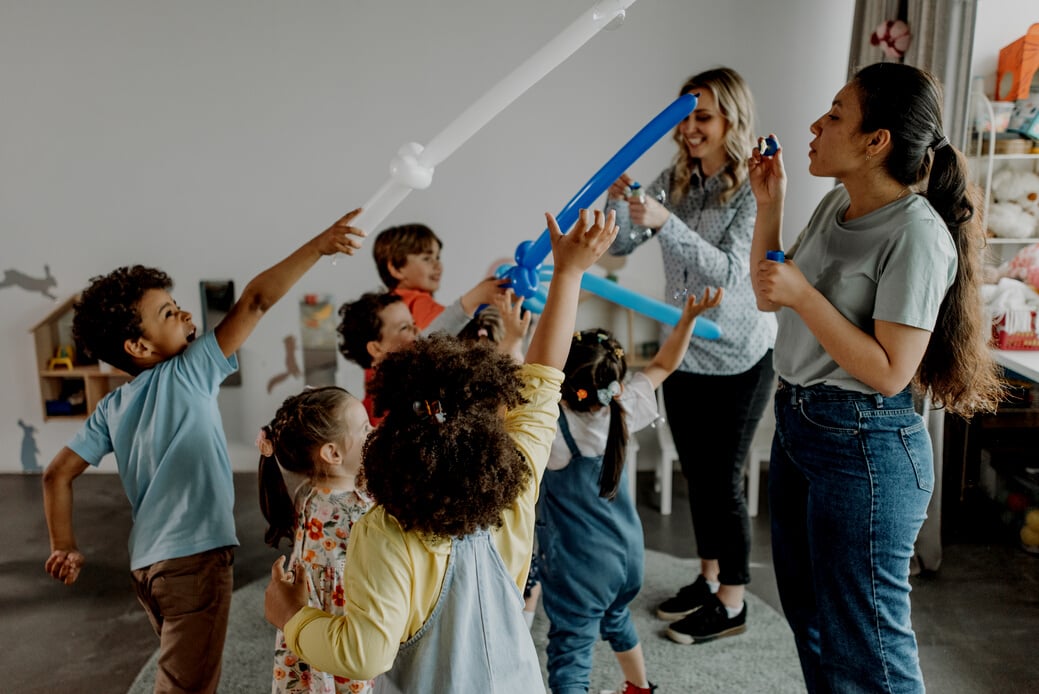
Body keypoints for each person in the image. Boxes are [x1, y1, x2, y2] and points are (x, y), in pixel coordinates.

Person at [264, 208, 618, 693]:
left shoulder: (383, 531)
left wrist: (292, 618)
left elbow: (365, 655)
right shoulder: (515, 484)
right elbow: (542, 382)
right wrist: (570, 273)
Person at [746, 62, 1004, 693]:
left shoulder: (918, 235)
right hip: (799, 427)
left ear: (876, 141)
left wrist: (806, 297)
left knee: (870, 648)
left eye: (835, 114)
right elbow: (769, 294)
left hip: (866, 446)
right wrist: (770, 207)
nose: (816, 125)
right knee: (810, 624)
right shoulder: (839, 201)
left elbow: (892, 373)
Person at [41, 208, 366, 694]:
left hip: (147, 567)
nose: (187, 315)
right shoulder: (189, 371)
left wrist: (63, 545)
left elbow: (56, 474)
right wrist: (318, 246)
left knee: (187, 674)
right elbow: (254, 302)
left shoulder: (112, 405)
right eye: (169, 314)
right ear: (139, 345)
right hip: (193, 561)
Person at [604, 67, 777, 643]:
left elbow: (729, 273)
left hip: (739, 352)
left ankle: (733, 602)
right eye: (684, 118)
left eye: (701, 117)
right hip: (685, 348)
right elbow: (627, 245)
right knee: (698, 477)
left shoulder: (752, 189)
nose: (689, 130)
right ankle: (708, 580)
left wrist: (665, 222)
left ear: (730, 119)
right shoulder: (673, 179)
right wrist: (621, 206)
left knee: (722, 479)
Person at [538, 288, 722, 694]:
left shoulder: (552, 430)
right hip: (628, 558)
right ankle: (640, 689)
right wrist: (686, 320)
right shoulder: (624, 406)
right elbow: (663, 364)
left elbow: (527, 376)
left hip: (580, 566)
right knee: (616, 618)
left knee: (570, 652)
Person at [257, 386, 376, 694]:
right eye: (365, 428)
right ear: (332, 453)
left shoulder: (307, 492)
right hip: (339, 611)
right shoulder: (357, 506)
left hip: (304, 607)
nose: (373, 431)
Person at [372, 221, 504, 332]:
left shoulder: (381, 311)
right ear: (396, 268)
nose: (438, 265)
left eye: (437, 257)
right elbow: (454, 328)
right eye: (427, 259)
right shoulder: (418, 301)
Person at [336, 291, 419, 424]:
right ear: (376, 348)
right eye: (404, 328)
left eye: (413, 323)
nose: (417, 331)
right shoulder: (382, 411)